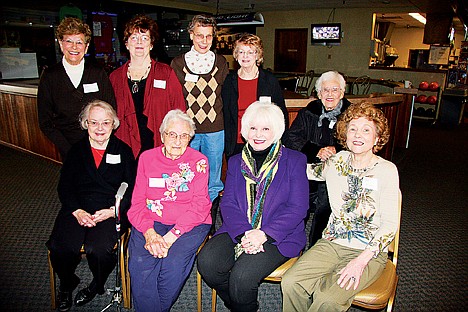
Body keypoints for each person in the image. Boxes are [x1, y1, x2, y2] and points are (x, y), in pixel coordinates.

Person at [281, 102, 400, 312]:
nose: (357, 135)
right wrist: (275, 160)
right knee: (291, 282)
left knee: (327, 299)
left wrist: (361, 261)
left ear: (377, 137)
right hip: (332, 243)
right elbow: (308, 172)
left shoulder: (387, 170)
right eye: (352, 128)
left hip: (368, 250)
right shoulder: (338, 161)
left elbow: (390, 224)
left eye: (366, 130)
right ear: (344, 133)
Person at [197, 101, 309, 312]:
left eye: (266, 128)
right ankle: (241, 305)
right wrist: (245, 234)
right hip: (240, 229)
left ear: (277, 131)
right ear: (244, 130)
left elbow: (298, 207)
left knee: (242, 276)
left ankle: (241, 303)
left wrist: (263, 234)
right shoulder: (236, 161)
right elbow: (228, 203)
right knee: (208, 264)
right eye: (253, 128)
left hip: (279, 235)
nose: (258, 134)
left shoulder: (295, 161)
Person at [46, 100, 136, 311]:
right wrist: (76, 210)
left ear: (114, 124)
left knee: (99, 250)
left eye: (105, 123)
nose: (99, 128)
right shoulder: (76, 151)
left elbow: (133, 187)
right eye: (93, 122)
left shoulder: (123, 150)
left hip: (110, 208)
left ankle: (97, 284)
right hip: (78, 207)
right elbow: (64, 186)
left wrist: (114, 210)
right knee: (60, 247)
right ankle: (68, 283)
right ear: (85, 123)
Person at [127, 109, 212, 311]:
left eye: (184, 136)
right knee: (140, 265)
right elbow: (137, 202)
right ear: (162, 135)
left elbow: (201, 205)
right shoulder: (147, 158)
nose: (177, 141)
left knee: (172, 266)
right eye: (172, 134)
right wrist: (150, 234)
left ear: (190, 138)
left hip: (190, 223)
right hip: (150, 219)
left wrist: (170, 237)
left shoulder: (199, 162)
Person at [284, 70, 351, 247]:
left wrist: (336, 149)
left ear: (342, 93)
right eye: (325, 90)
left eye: (334, 90)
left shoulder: (351, 115)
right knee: (298, 203)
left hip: (338, 172)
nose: (330, 94)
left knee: (325, 207)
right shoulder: (309, 112)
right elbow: (291, 137)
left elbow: (358, 143)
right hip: (309, 169)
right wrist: (316, 150)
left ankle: (316, 248)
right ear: (319, 93)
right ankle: (292, 243)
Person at [38, 17, 116, 160]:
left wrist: (101, 140)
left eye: (79, 42)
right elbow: (45, 122)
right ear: (61, 44)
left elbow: (111, 110)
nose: (74, 47)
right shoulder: (50, 76)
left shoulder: (98, 73)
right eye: (69, 41)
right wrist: (68, 149)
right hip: (67, 145)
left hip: (98, 142)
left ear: (86, 47)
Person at [170, 14, 229, 203]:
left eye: (209, 36)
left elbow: (226, 96)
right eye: (199, 35)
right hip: (188, 131)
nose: (204, 41)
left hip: (215, 129)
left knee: (213, 179)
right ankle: (185, 215)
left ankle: (208, 217)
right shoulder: (178, 64)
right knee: (185, 175)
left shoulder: (221, 63)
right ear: (191, 35)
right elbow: (173, 98)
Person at [110, 14, 186, 159]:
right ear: (126, 43)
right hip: (125, 144)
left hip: (158, 143)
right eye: (134, 37)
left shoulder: (166, 73)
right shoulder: (114, 78)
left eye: (145, 38)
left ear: (151, 44)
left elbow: (179, 110)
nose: (139, 42)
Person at [223, 33, 289, 159]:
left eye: (250, 52)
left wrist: (282, 141)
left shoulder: (270, 81)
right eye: (241, 52)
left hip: (263, 141)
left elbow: (282, 114)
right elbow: (226, 114)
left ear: (258, 55)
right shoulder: (228, 81)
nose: (245, 56)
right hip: (236, 142)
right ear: (236, 55)